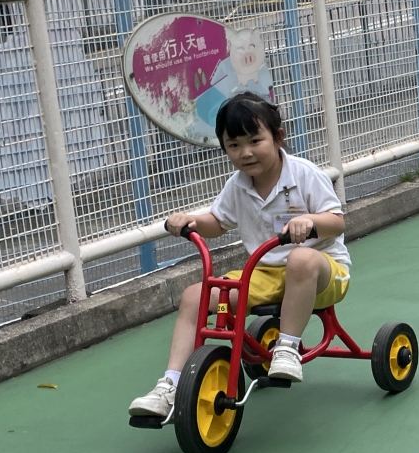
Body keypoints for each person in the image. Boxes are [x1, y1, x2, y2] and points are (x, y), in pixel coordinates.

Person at [128, 94, 351, 418]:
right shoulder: (238, 185)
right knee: (195, 296)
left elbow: (337, 221)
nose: (245, 153)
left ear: (278, 137)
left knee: (300, 259)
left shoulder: (304, 174)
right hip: (264, 274)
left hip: (323, 272)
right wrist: (192, 220)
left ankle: (287, 348)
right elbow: (218, 223)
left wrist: (310, 221)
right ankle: (171, 385)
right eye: (234, 145)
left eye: (255, 141)